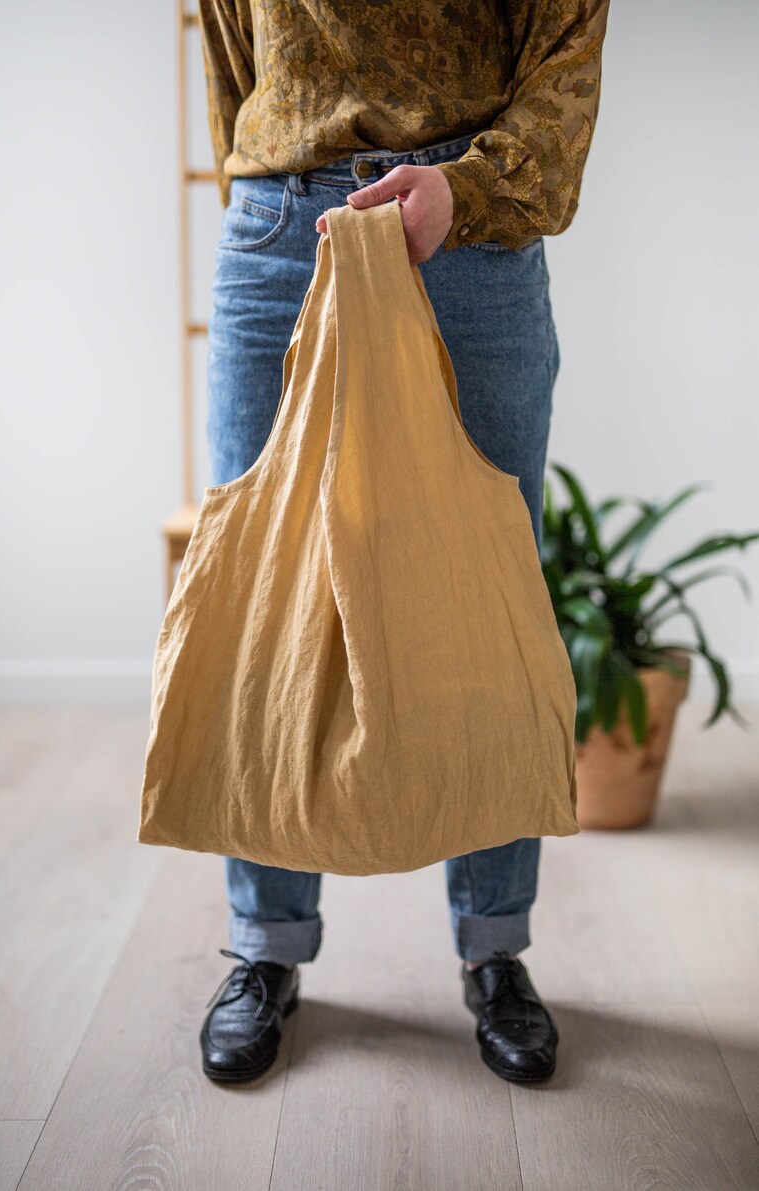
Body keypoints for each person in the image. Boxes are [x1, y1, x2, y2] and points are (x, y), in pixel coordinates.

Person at [197, 0, 610, 1085]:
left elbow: (562, 60)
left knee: (484, 602)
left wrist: (462, 190)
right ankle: (264, 948)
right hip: (282, 229)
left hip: (468, 246)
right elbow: (231, 52)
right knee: (264, 598)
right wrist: (278, 181)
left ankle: (493, 947)